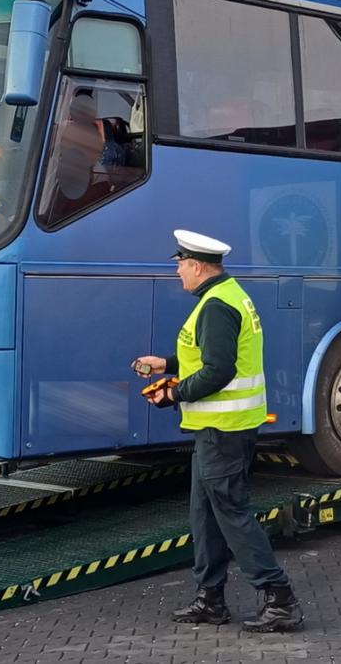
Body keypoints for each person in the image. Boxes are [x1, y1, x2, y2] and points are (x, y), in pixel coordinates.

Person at [133, 230, 304, 633]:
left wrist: (173, 394)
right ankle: (210, 598)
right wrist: (169, 364)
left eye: (179, 265)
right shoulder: (225, 296)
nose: (177, 272)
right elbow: (211, 355)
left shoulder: (217, 305)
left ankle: (279, 597)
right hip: (219, 429)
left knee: (231, 513)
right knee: (205, 514)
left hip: (223, 430)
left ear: (196, 266)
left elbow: (219, 370)